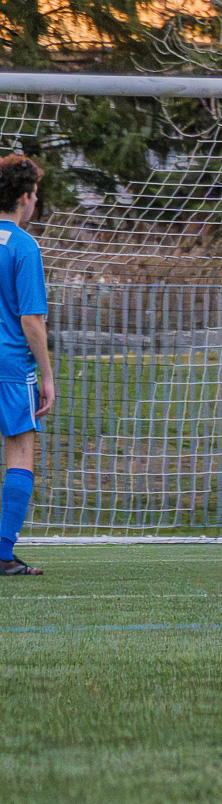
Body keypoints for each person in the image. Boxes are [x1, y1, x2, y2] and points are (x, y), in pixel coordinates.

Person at [0, 157, 53, 577]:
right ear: (24, 197)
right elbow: (31, 319)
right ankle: (2, 554)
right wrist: (48, 377)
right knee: (19, 451)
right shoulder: (23, 245)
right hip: (11, 366)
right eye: (36, 194)